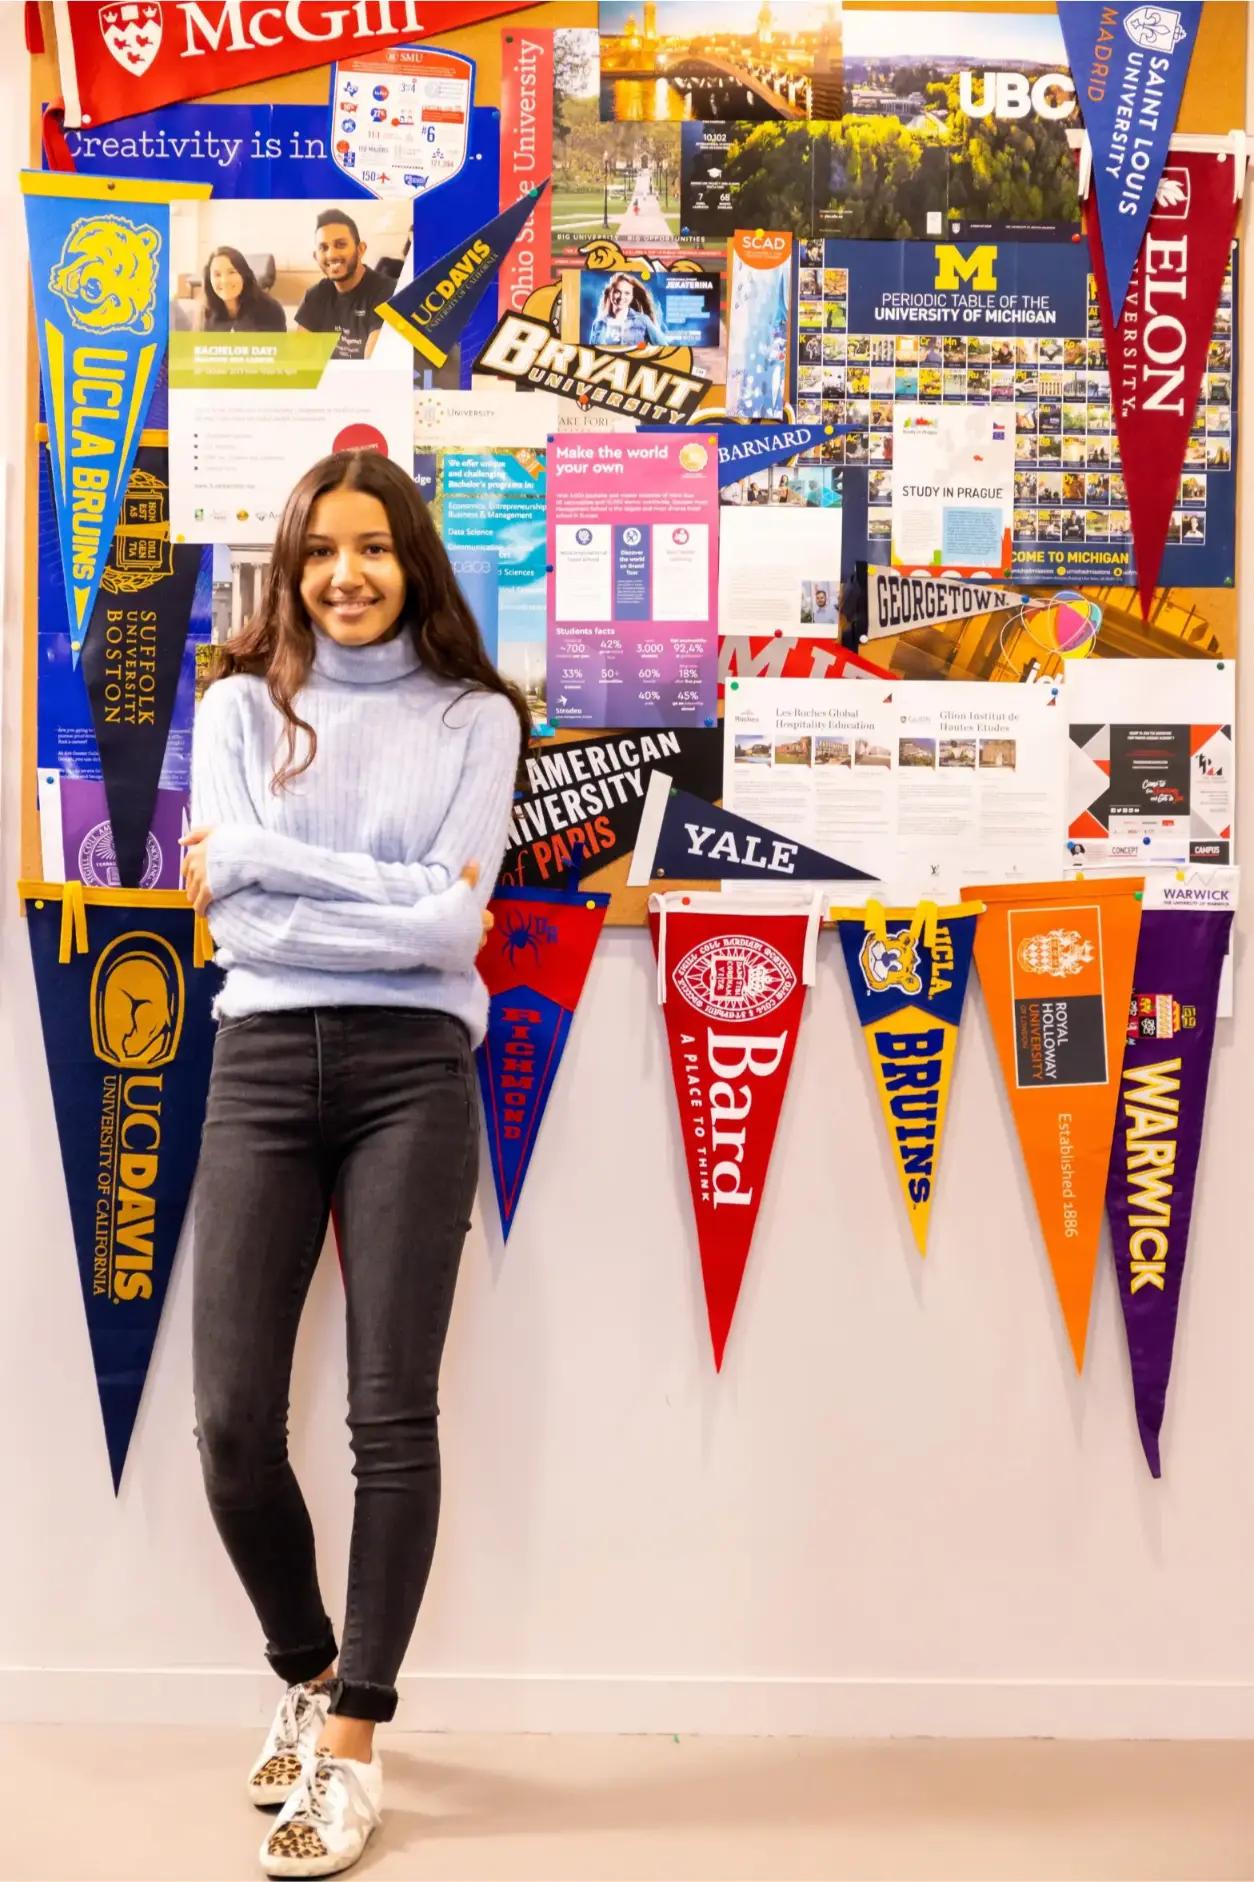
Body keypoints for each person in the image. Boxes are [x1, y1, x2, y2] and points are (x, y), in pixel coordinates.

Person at [182, 450, 526, 1878]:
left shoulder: (474, 717)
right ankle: (307, 1665)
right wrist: (368, 896)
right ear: (290, 560)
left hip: (412, 1074)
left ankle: (355, 1743)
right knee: (227, 1423)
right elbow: (234, 930)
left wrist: (273, 857)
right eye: (321, 549)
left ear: (415, 561)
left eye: (374, 548)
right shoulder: (233, 706)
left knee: (391, 1414)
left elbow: (454, 937)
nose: (347, 574)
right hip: (260, 1066)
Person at [294, 209, 395, 361]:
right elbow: (299, 358)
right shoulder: (315, 296)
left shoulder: (388, 292)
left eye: (340, 245)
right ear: (316, 257)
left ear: (360, 250)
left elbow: (375, 367)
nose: (332, 255)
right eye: (323, 248)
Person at [201, 246, 287, 333]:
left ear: (244, 275)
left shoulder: (269, 310)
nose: (224, 281)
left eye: (231, 272)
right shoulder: (206, 312)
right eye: (217, 275)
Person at [588, 272, 664, 349]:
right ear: (610, 293)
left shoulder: (643, 320)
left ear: (632, 297)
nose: (621, 297)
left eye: (627, 293)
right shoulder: (598, 323)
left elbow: (664, 346)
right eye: (617, 292)